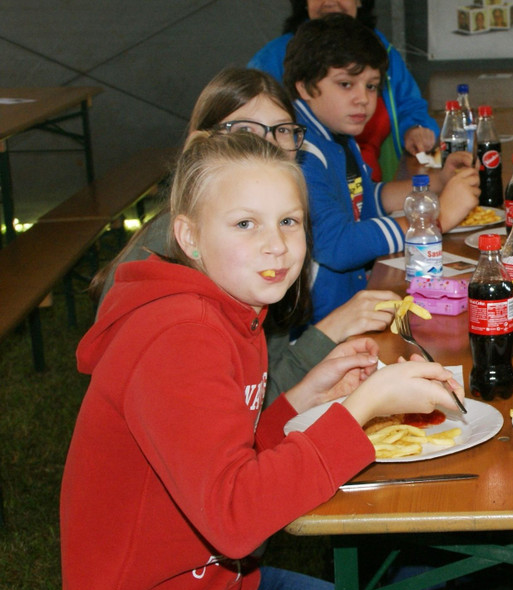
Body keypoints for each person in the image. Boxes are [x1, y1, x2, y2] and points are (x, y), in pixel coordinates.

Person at [61, 131, 465, 590]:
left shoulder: (238, 308)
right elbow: (234, 518)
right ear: (189, 236)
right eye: (245, 224)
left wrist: (302, 398)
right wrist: (362, 409)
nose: (275, 244)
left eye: (289, 221)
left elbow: (226, 455)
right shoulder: (179, 335)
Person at [94, 66, 401, 405]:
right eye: (244, 131)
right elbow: (252, 406)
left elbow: (259, 390)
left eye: (282, 131)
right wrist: (329, 332)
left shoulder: (267, 237)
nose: (266, 145)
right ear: (201, 144)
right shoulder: (184, 283)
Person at [283, 13, 479, 321]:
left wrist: (437, 181)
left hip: (350, 306)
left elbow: (364, 200)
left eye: (372, 86)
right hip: (320, 325)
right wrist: (435, 219)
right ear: (305, 88)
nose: (363, 98)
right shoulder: (301, 152)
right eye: (346, 84)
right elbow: (337, 245)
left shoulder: (336, 136)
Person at [250, 0, 438, 182]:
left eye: (371, 86)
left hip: (370, 181)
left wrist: (416, 127)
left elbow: (410, 103)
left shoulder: (379, 49)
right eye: (345, 84)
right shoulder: (309, 158)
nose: (330, 2)